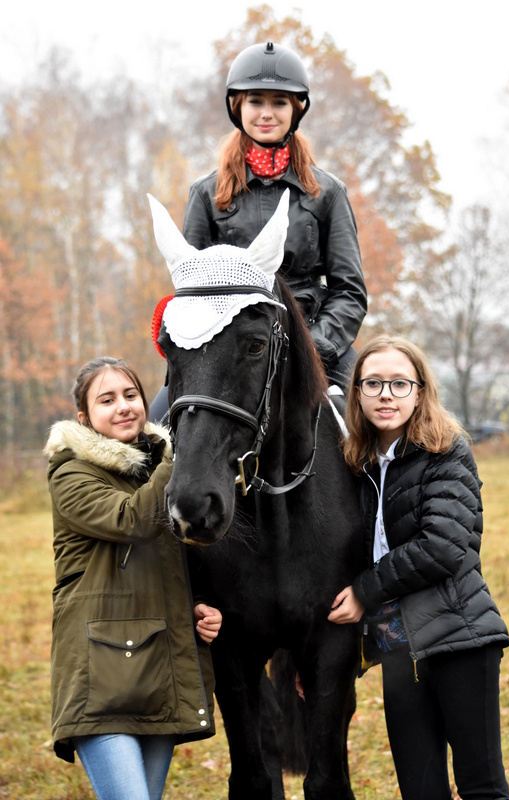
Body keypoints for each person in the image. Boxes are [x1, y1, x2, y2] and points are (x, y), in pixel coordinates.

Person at [327, 335, 509, 800]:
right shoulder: (357, 464)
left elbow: (442, 547)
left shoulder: (446, 451)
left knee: (482, 786)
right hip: (398, 648)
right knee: (420, 790)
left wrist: (364, 591)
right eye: (373, 383)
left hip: (459, 638)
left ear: (420, 390)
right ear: (357, 393)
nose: (385, 394)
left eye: (399, 383)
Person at [150, 41, 366, 420]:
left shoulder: (329, 193)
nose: (267, 113)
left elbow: (350, 291)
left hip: (313, 337)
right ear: (238, 107)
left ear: (296, 109)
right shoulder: (205, 194)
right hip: (228, 344)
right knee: (159, 417)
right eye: (255, 101)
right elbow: (191, 290)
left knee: (374, 408)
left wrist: (315, 346)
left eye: (279, 102)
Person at [44, 356, 222, 800]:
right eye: (106, 400)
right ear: (84, 417)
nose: (124, 406)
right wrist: (181, 455)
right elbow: (132, 520)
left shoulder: (156, 468)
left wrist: (197, 606)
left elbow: (167, 564)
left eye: (130, 395)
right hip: (100, 679)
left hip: (157, 671)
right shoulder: (72, 473)